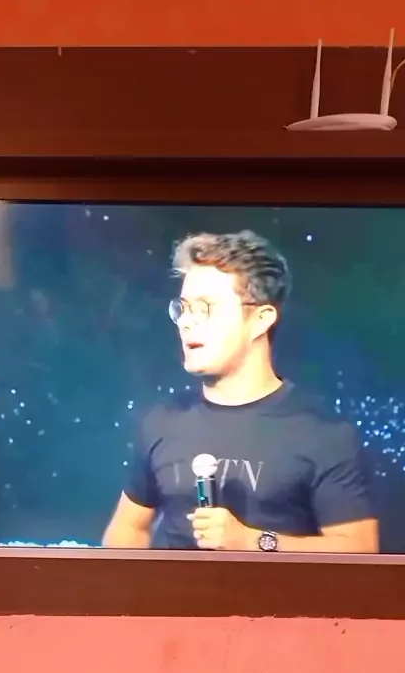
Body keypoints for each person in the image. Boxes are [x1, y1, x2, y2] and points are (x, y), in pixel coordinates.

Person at [102, 229, 379, 553]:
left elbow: (360, 550)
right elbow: (127, 528)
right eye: (183, 308)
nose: (186, 322)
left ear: (261, 319)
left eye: (205, 307)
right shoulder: (162, 421)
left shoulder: (323, 434)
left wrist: (253, 541)